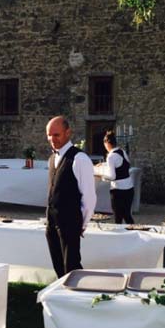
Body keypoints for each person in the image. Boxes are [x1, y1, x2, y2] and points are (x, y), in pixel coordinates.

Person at [45, 116, 97, 278]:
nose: (52, 139)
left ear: (68, 133)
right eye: (49, 135)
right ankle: (61, 292)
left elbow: (89, 197)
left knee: (72, 267)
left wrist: (82, 223)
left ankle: (80, 293)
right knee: (58, 266)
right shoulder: (52, 158)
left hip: (70, 221)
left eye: (56, 135)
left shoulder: (80, 159)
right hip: (52, 221)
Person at [97, 130, 135, 225]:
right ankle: (135, 232)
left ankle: (120, 234)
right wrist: (104, 164)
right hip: (129, 189)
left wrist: (101, 176)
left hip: (118, 191)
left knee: (118, 218)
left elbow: (112, 176)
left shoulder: (110, 156)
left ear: (107, 143)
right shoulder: (122, 151)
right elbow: (121, 164)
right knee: (127, 215)